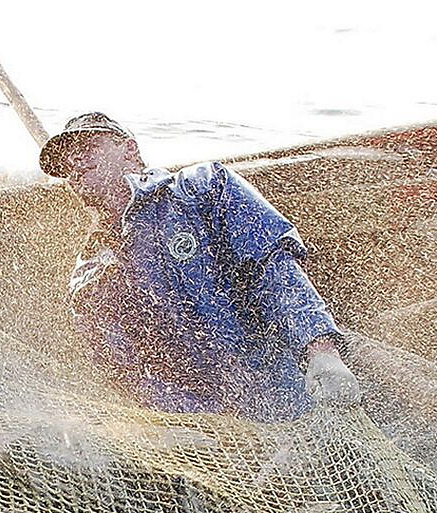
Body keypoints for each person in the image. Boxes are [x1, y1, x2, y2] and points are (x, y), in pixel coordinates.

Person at [38, 112, 363, 422]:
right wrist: (194, 423)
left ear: (129, 149)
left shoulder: (204, 188)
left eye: (86, 148)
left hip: (296, 388)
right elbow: (127, 374)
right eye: (66, 164)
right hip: (210, 426)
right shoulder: (91, 275)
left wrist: (322, 351)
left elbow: (274, 267)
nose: (75, 164)